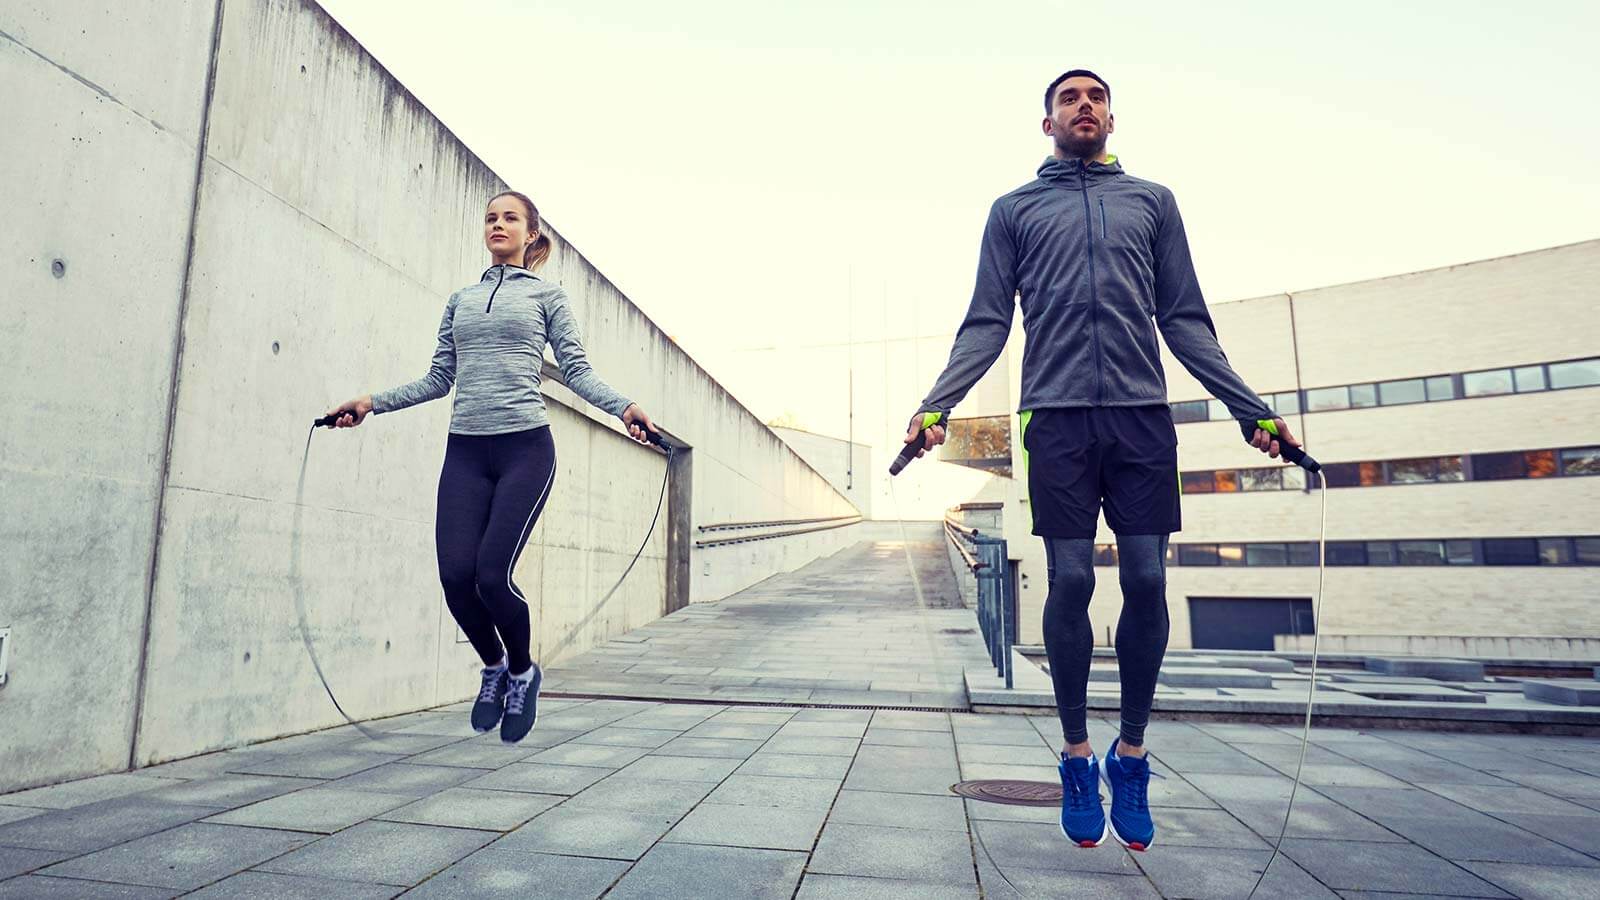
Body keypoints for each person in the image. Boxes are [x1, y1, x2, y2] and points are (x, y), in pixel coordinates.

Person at [905, 69, 1299, 851]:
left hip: (1141, 417)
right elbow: (985, 322)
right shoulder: (1014, 210)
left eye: (1094, 97)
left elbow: (1186, 319)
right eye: (1068, 99)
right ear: (1045, 122)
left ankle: (1133, 752)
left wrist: (1249, 406)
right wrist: (936, 405)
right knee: (1075, 577)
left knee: (1149, 577)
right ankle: (1078, 754)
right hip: (1054, 420)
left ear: (1112, 116)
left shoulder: (1153, 202)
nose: (1083, 106)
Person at [326, 190, 657, 744]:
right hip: (466, 453)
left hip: (524, 448)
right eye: (490, 217)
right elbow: (438, 378)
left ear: (531, 236)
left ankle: (524, 672)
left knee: (490, 574)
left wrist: (624, 407)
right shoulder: (459, 300)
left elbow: (574, 369)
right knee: (456, 580)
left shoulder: (548, 298)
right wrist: (371, 403)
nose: (497, 224)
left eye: (510, 218)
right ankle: (494, 667)